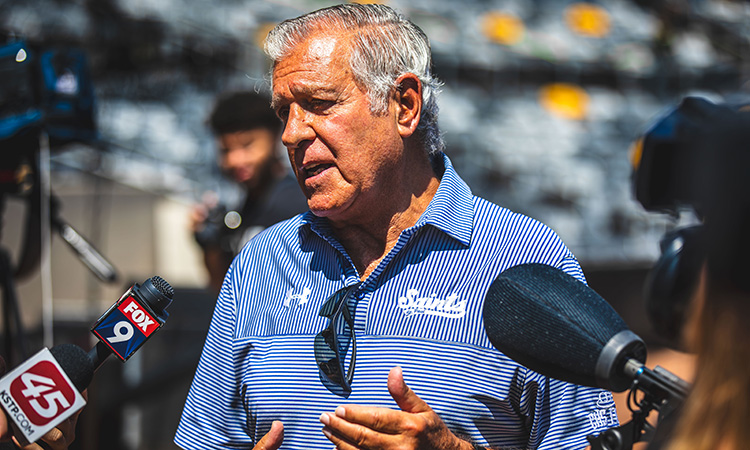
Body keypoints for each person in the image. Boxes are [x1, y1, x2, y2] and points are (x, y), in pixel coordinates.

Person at [175, 4, 618, 450]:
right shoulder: (259, 264)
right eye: (284, 112)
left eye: (318, 104)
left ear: (404, 105)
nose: (291, 134)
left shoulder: (526, 259)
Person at [190, 91, 308, 292]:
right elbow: (228, 293)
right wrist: (209, 243)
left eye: (247, 145)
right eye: (226, 150)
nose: (236, 160)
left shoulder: (297, 204)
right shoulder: (245, 209)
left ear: (275, 138)